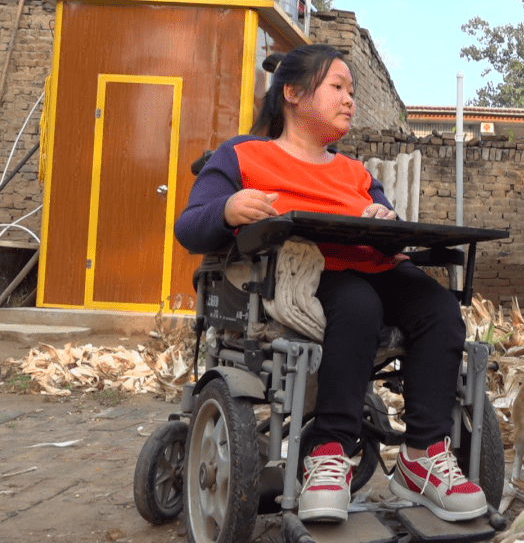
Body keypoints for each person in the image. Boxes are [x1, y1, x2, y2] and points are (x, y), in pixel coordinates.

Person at [174, 44, 487, 524]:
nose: (349, 100)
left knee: (440, 309)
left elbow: (390, 227)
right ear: (293, 93)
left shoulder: (355, 171)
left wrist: (385, 218)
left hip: (373, 265)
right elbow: (190, 226)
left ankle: (423, 455)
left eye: (352, 91)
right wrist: (227, 210)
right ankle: (329, 454)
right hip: (305, 273)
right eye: (337, 87)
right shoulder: (242, 155)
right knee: (359, 307)